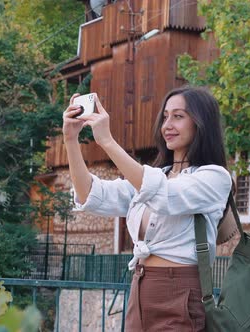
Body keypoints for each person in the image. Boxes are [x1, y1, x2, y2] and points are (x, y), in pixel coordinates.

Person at [62, 86, 232, 331]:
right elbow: (90, 193)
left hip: (180, 293)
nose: (167, 125)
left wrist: (107, 141)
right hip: (140, 287)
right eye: (165, 117)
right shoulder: (154, 176)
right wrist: (71, 140)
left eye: (178, 116)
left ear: (201, 123)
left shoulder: (214, 177)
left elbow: (165, 196)